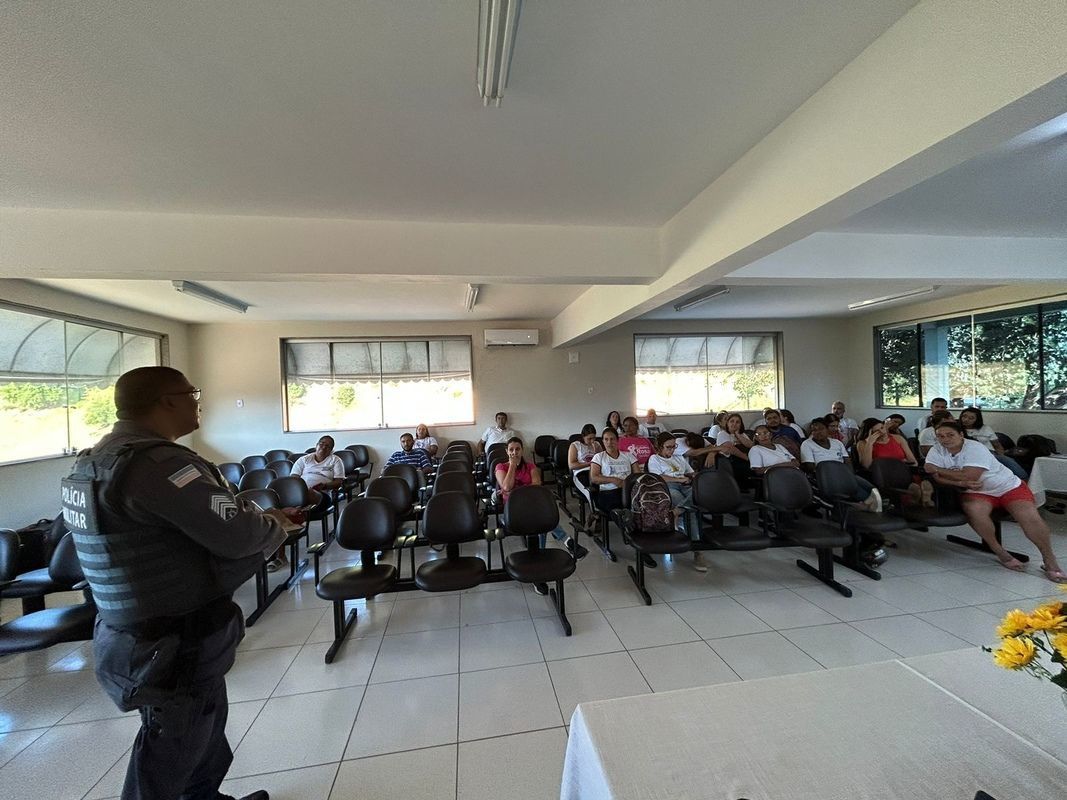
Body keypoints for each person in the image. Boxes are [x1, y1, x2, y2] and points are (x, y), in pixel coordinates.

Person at [60, 367, 284, 800]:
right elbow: (239, 533)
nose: (197, 402)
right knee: (172, 747)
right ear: (167, 401)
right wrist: (273, 526)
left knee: (203, 728)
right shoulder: (158, 466)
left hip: (139, 628)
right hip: (173, 636)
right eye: (192, 393)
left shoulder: (93, 462)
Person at [924, 420, 1065, 582]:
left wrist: (938, 469)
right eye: (940, 436)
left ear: (961, 435)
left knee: (1030, 518)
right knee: (975, 512)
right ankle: (1000, 552)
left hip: (1008, 486)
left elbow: (970, 475)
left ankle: (1049, 559)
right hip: (977, 492)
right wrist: (960, 483)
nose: (945, 439)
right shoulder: (936, 450)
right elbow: (936, 478)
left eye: (950, 435)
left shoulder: (975, 448)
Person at [496, 436, 587, 565]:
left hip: (532, 503)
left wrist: (515, 492)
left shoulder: (530, 466)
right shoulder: (500, 467)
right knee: (541, 517)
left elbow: (537, 486)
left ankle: (543, 554)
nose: (514, 452)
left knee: (540, 515)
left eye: (517, 449)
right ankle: (567, 542)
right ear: (507, 451)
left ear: (522, 450)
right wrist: (512, 466)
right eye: (511, 449)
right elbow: (506, 486)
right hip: (513, 509)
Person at [647, 432, 706, 571]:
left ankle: (677, 511)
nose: (672, 450)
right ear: (659, 447)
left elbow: (690, 472)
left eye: (674, 446)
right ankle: (698, 551)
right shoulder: (654, 459)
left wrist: (695, 476)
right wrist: (679, 479)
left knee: (699, 494)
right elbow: (659, 478)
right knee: (691, 510)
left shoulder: (679, 457)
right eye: (668, 447)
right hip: (668, 487)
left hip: (685, 486)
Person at [801, 417, 881, 511]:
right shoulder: (807, 444)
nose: (817, 432)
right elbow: (810, 467)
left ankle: (873, 500)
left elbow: (847, 461)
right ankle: (868, 503)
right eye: (814, 430)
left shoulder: (837, 443)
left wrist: (848, 474)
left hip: (843, 473)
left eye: (821, 429)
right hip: (824, 476)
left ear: (827, 429)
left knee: (869, 487)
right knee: (856, 489)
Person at [568, 423, 603, 507]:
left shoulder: (596, 444)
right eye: (589, 438)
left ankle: (600, 508)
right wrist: (590, 463)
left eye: (594, 438)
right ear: (583, 436)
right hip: (581, 472)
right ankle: (594, 510)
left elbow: (602, 460)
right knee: (590, 490)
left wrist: (596, 451)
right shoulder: (575, 445)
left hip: (595, 471)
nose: (592, 441)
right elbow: (572, 465)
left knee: (603, 487)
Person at [715, 412, 754, 482]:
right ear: (727, 423)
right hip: (732, 463)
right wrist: (748, 459)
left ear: (741, 425)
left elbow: (751, 445)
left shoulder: (742, 434)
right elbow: (731, 449)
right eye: (732, 421)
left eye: (737, 422)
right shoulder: (722, 434)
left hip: (746, 460)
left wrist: (737, 434)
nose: (734, 424)